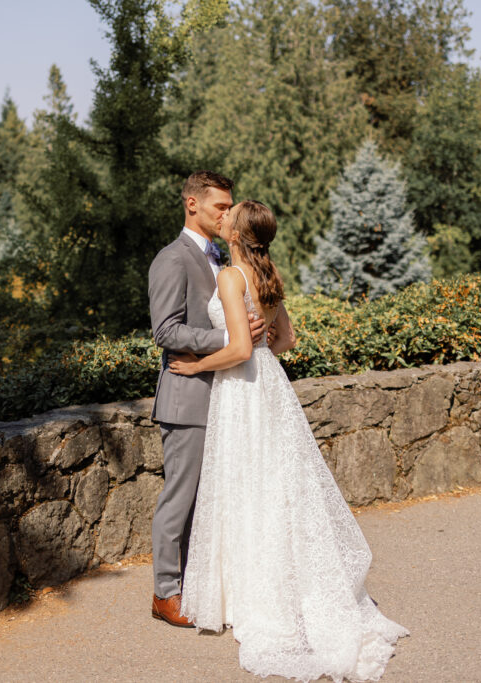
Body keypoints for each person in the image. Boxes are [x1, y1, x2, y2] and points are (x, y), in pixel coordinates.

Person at [168, 200, 409, 681]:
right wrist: (257, 347)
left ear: (235, 234)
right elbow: (285, 341)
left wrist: (197, 366)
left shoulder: (231, 277)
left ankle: (250, 598)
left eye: (229, 215)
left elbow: (238, 348)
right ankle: (281, 586)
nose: (223, 217)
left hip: (241, 390)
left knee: (245, 487)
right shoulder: (268, 275)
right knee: (276, 487)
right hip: (270, 384)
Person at [147, 172, 268, 627]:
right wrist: (229, 337)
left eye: (230, 207)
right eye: (220, 207)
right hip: (187, 396)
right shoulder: (171, 259)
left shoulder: (224, 258)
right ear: (192, 204)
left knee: (212, 502)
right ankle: (165, 594)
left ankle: (203, 588)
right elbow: (165, 331)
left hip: (226, 396)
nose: (227, 214)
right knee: (180, 500)